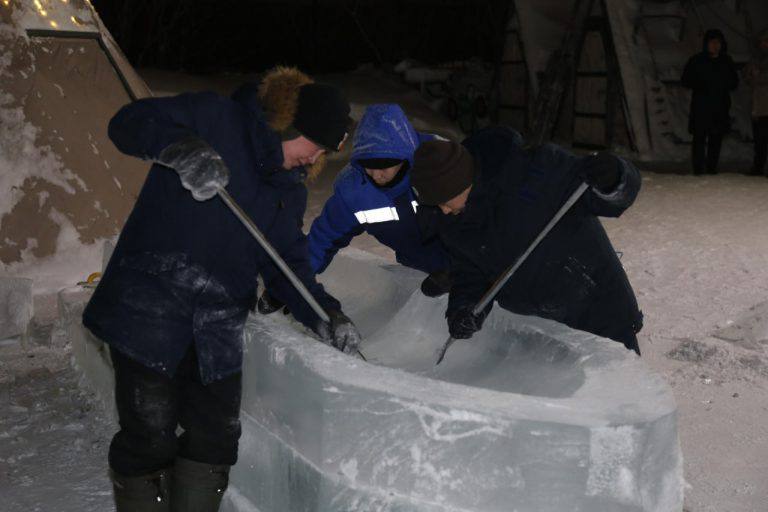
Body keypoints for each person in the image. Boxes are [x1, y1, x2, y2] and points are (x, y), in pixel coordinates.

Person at [82, 67, 362, 512]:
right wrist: (181, 149)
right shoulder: (216, 119)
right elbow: (128, 123)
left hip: (216, 322)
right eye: (317, 146)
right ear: (291, 125)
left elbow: (286, 265)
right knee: (151, 434)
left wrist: (327, 315)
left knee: (216, 439)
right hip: (148, 303)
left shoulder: (285, 191)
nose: (316, 159)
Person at [410, 129, 643, 354]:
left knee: (617, 391)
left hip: (597, 308)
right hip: (542, 330)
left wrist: (615, 178)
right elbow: (470, 272)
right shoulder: (454, 224)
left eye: (445, 199)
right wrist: (464, 308)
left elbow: (607, 199)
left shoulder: (536, 172)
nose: (443, 209)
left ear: (461, 182)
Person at [258, 104, 451, 315]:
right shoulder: (355, 191)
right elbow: (323, 238)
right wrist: (290, 282)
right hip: (422, 271)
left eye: (385, 167)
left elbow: (481, 216)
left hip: (473, 268)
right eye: (369, 167)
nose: (377, 175)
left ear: (404, 156)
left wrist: (461, 269)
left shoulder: (441, 163)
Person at [681, 29, 739, 175]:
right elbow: (686, 80)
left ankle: (712, 169)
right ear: (706, 44)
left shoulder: (726, 61)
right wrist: (701, 83)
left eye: (718, 42)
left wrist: (722, 84)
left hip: (719, 107)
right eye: (712, 42)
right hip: (701, 107)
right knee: (699, 139)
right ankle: (698, 170)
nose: (715, 46)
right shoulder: (697, 60)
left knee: (716, 139)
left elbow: (734, 82)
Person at [744, 29, 768, 176]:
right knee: (759, 140)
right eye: (764, 41)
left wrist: (757, 76)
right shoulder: (755, 60)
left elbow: (757, 78)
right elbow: (747, 76)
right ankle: (758, 167)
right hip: (758, 108)